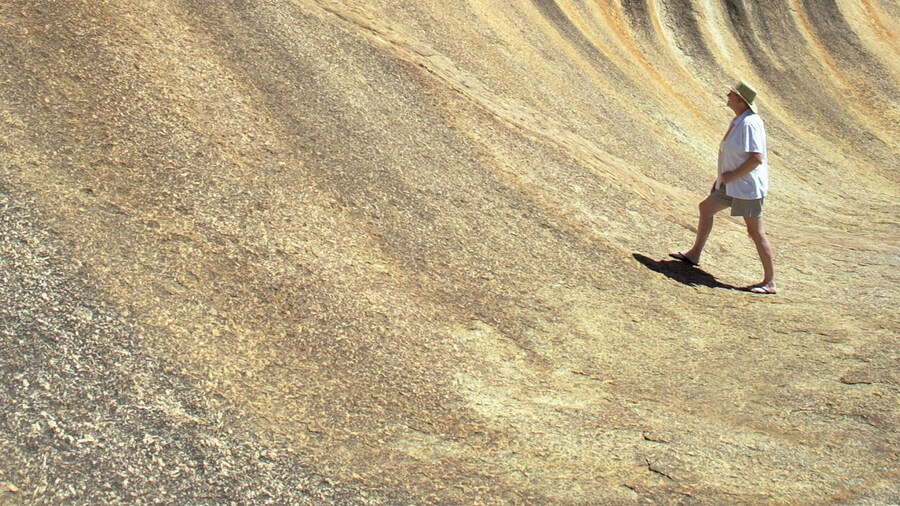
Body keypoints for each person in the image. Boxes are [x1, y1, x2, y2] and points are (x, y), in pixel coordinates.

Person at [669, 80, 776, 294]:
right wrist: (721, 179)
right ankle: (695, 254)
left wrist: (730, 177)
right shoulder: (739, 120)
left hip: (746, 188)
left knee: (755, 232)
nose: (727, 96)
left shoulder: (749, 123)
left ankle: (769, 282)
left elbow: (756, 158)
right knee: (705, 208)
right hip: (733, 184)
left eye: (730, 94)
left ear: (739, 100)